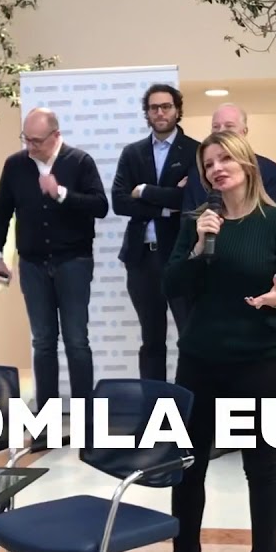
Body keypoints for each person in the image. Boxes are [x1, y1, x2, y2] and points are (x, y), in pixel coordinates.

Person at [164, 131, 276, 552]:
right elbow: (172, 285)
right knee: (189, 468)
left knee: (261, 468)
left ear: (246, 163)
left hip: (259, 362)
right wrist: (196, 247)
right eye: (208, 164)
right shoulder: (197, 221)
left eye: (224, 159)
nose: (216, 169)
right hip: (200, 362)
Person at [0, 107, 109, 418]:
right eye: (26, 139)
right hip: (32, 265)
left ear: (56, 136)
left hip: (74, 262)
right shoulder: (15, 165)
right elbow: (1, 212)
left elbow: (100, 206)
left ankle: (84, 419)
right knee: (43, 342)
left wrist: (61, 194)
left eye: (37, 141)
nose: (30, 146)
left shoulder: (80, 162)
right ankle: (47, 420)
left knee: (76, 341)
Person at [111, 83, 199, 381]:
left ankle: (191, 402)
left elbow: (188, 200)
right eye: (154, 108)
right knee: (151, 340)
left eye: (166, 107)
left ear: (177, 110)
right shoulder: (132, 153)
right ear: (147, 113)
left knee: (189, 337)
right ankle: (154, 405)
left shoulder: (195, 151)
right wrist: (164, 207)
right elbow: (120, 202)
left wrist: (145, 191)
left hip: (180, 257)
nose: (160, 113)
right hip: (141, 259)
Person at [181, 102, 276, 211]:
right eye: (216, 127)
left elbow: (274, 213)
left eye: (229, 126)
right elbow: (188, 215)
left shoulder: (269, 170)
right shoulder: (197, 172)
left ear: (244, 132)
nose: (221, 131)